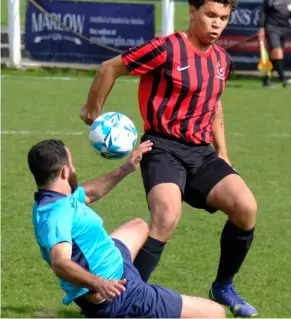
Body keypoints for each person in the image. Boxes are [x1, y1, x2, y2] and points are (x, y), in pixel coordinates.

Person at [80, 0, 258, 317]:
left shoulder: (221, 60)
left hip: (201, 153)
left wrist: (224, 153)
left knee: (246, 208)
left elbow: (214, 104)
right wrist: (91, 112)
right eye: (211, 16)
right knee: (166, 217)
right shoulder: (166, 49)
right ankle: (125, 300)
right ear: (192, 12)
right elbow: (110, 68)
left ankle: (223, 286)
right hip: (162, 147)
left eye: (224, 18)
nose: (217, 24)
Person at [28, 139, 226, 318]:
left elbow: (89, 194)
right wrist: (100, 284)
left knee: (139, 225)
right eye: (72, 163)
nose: (74, 167)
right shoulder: (55, 215)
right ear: (65, 171)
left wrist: (126, 169)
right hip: (119, 296)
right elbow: (60, 263)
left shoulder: (55, 197)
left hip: (112, 260)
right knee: (216, 313)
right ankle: (139, 303)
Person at [258, 0, 291, 87]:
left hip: (284, 29)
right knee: (278, 52)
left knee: (275, 56)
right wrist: (261, 28)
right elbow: (263, 12)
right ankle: (283, 79)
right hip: (272, 28)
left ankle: (266, 80)